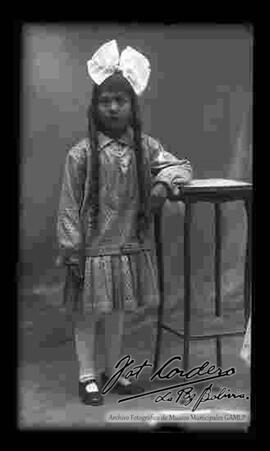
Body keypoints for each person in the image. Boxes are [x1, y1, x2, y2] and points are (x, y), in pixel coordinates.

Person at [56, 40, 193, 406]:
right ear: (94, 107)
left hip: (127, 248)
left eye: (121, 100)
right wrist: (72, 250)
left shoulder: (145, 148)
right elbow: (69, 205)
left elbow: (181, 165)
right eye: (105, 101)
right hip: (92, 250)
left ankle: (114, 370)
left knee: (117, 312)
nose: (113, 107)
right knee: (89, 314)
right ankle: (87, 376)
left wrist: (164, 183)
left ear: (133, 106)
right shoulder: (81, 154)